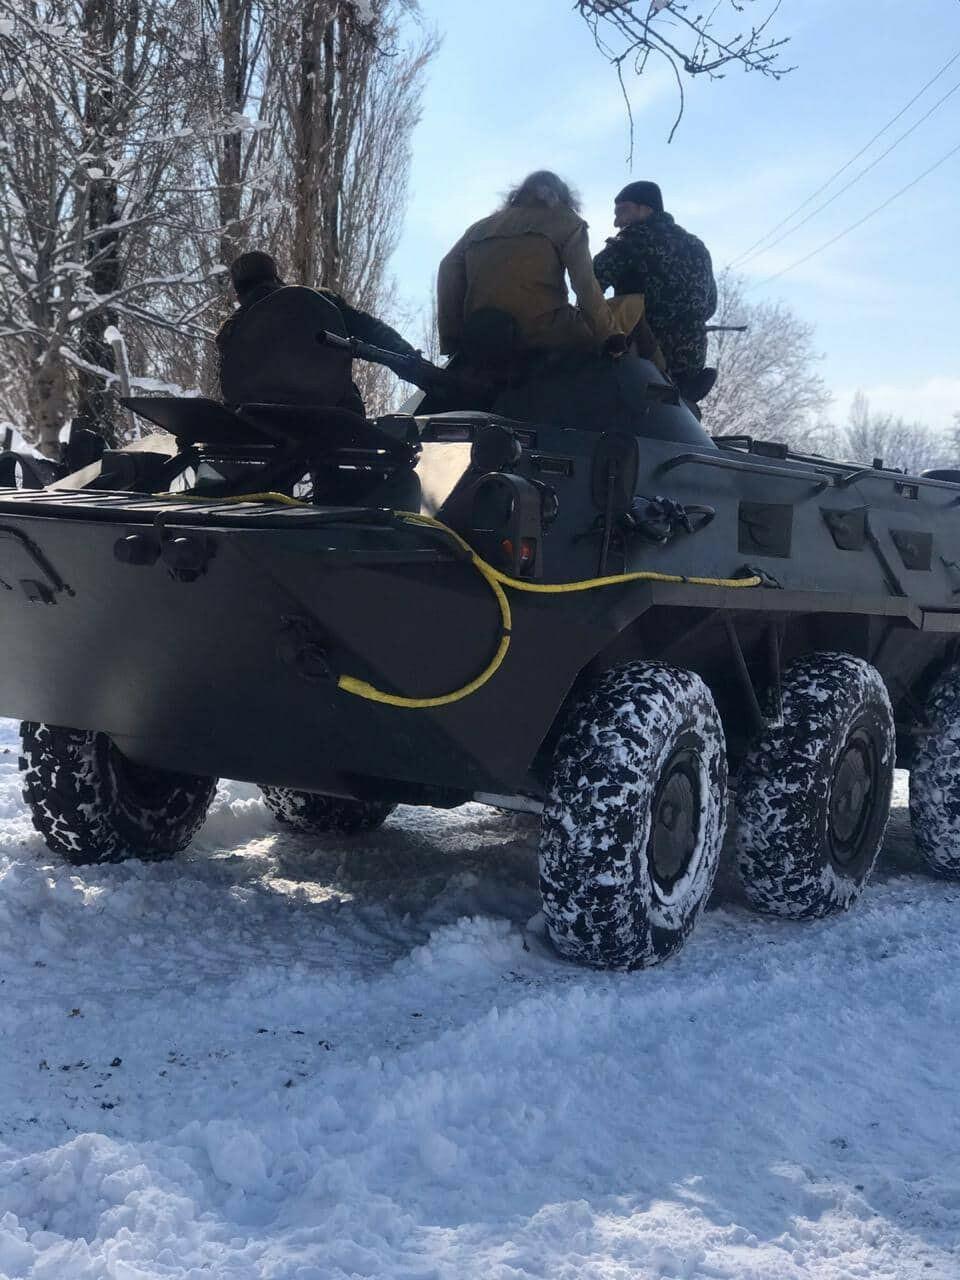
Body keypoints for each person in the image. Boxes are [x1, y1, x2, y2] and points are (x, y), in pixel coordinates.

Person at [436, 171, 646, 360]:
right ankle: (670, 387)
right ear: (563, 196)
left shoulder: (478, 228)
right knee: (634, 305)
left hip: (481, 332)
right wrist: (608, 335)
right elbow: (585, 284)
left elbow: (447, 269)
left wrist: (452, 338)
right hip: (543, 331)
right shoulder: (566, 220)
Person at [216, 251, 417, 412]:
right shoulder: (319, 303)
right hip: (335, 419)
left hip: (257, 428)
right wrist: (413, 362)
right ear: (276, 277)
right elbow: (373, 331)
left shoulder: (231, 330)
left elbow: (231, 388)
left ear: (238, 293)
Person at [593, 182, 717, 392]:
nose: (616, 222)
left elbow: (590, 289)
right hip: (691, 361)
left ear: (646, 209)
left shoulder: (630, 241)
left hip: (644, 359)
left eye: (623, 211)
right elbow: (709, 306)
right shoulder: (696, 247)